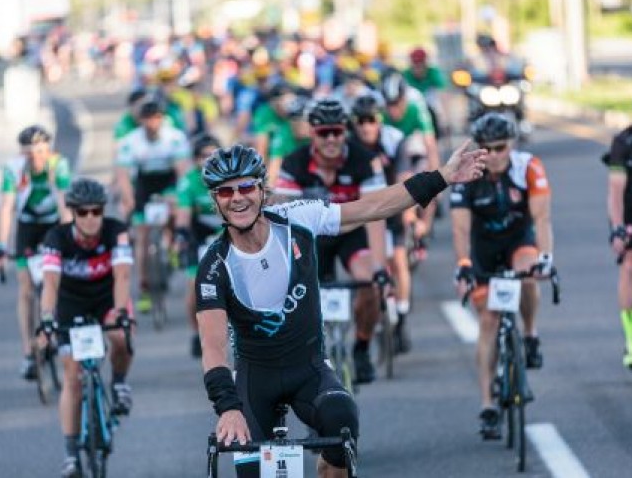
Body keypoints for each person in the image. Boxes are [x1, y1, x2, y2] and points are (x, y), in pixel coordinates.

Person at [196, 141, 486, 478]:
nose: (237, 198)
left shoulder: (296, 220)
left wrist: (442, 177)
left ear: (262, 190)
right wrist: (228, 408)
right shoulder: (215, 266)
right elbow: (213, 348)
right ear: (216, 201)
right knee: (251, 469)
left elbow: (371, 206)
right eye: (225, 192)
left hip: (308, 369)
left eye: (245, 187)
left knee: (341, 416)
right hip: (254, 381)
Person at [449, 112, 554, 439]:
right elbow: (460, 226)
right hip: (483, 249)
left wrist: (546, 259)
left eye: (501, 147)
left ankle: (531, 332)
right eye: (488, 148)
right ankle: (487, 404)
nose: (495, 155)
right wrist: (464, 262)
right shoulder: (467, 172)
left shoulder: (529, 167)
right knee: (489, 322)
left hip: (517, 240)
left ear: (512, 144)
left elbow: (541, 217)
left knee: (527, 270)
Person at [274, 97, 388, 384]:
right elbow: (282, 219)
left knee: (369, 283)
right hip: (310, 239)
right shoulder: (293, 163)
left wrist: (379, 267)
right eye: (324, 133)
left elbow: (375, 214)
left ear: (345, 132)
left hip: (351, 234)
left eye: (337, 131)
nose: (331, 139)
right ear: (312, 133)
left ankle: (361, 347)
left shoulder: (364, 160)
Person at [39, 178, 134, 477]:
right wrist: (46, 317)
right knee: (73, 378)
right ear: (72, 213)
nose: (91, 218)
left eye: (96, 211)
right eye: (83, 212)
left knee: (121, 334)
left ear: (103, 211)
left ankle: (118, 382)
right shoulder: (56, 237)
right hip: (71, 305)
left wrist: (120, 313)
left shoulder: (116, 231)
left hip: (107, 300)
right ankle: (70, 454)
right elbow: (51, 282)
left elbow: (122, 277)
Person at [0, 125, 72, 379]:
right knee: (26, 290)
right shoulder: (13, 169)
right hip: (28, 227)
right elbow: (6, 207)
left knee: (56, 280)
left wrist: (67, 239)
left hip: (52, 225)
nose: (36, 158)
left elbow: (65, 206)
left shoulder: (58, 165)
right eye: (30, 154)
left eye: (40, 152)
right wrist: (1, 245)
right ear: (22, 154)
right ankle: (29, 351)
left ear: (48, 150)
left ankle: (59, 331)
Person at [348, 94, 419, 352]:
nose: (366, 126)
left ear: (380, 120)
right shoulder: (348, 143)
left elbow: (404, 180)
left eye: (371, 120)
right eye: (361, 121)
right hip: (363, 211)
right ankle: (373, 313)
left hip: (392, 206)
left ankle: (401, 315)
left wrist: (410, 216)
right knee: (368, 266)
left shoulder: (394, 139)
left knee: (399, 261)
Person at [115, 99, 191, 311]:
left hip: (168, 181)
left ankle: (174, 244)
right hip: (144, 185)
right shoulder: (131, 141)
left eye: (156, 118)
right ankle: (145, 287)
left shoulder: (174, 138)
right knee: (142, 236)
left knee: (177, 211)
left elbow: (183, 171)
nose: (152, 123)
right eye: (148, 119)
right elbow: (123, 175)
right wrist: (128, 198)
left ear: (162, 119)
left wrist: (178, 197)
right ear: (141, 121)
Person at [175, 132, 224, 357]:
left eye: (213, 155)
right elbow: (183, 214)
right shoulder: (189, 181)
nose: (209, 159)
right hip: (200, 237)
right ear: (195, 160)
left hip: (227, 235)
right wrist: (182, 234)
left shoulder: (228, 176)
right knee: (193, 290)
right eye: (204, 156)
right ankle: (197, 333)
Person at [606, 100, 632, 369]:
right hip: (631, 211)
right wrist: (617, 227)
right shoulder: (624, 142)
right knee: (631, 263)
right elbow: (616, 192)